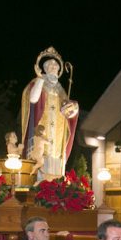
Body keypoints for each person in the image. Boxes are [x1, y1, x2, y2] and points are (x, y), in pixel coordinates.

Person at [21, 46, 79, 179]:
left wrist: (74, 109)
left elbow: (68, 112)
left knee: (56, 163)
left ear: (59, 70)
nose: (53, 67)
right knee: (41, 161)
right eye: (50, 65)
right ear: (45, 69)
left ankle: (55, 187)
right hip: (42, 129)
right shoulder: (38, 82)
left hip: (57, 138)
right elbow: (33, 99)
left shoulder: (61, 90)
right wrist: (40, 79)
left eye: (56, 66)